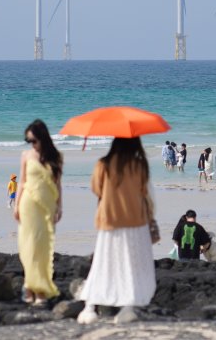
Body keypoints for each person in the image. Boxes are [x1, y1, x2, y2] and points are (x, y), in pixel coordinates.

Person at [77, 137, 156, 325]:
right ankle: (127, 308)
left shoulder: (103, 164)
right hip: (136, 221)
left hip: (110, 220)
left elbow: (96, 189)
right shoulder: (139, 165)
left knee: (104, 263)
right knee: (131, 265)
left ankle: (90, 308)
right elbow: (144, 192)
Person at [14, 120, 64, 305]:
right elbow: (22, 181)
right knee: (28, 246)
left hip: (48, 206)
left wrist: (60, 206)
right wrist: (16, 204)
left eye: (33, 140)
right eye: (28, 141)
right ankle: (29, 286)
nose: (31, 144)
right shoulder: (26, 156)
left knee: (44, 248)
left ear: (42, 138)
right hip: (29, 205)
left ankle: (41, 290)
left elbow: (58, 184)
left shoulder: (56, 157)